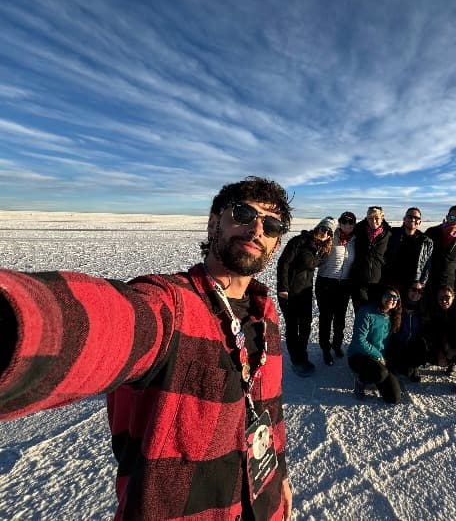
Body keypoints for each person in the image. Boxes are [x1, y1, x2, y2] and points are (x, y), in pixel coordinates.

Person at [0, 176, 293, 520]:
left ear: (275, 244)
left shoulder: (266, 315)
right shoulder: (172, 306)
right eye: (243, 214)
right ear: (214, 221)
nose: (257, 229)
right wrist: (25, 325)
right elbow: (108, 324)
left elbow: (269, 411)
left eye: (271, 225)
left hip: (263, 505)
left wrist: (280, 477)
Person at [277, 216, 334, 376]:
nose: (325, 233)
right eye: (323, 229)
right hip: (289, 291)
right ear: (318, 228)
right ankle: (297, 361)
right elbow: (283, 263)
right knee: (292, 326)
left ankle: (302, 356)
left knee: (305, 325)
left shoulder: (322, 249)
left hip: (305, 291)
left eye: (329, 232)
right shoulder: (299, 241)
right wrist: (283, 288)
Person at [347, 286, 403, 404]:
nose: (391, 299)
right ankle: (361, 379)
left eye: (395, 297)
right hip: (359, 355)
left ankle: (378, 374)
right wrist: (378, 356)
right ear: (382, 296)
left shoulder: (393, 316)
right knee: (380, 373)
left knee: (394, 398)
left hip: (380, 359)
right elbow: (359, 340)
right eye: (388, 295)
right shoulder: (367, 312)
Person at [315, 211, 357, 366]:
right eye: (344, 222)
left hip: (344, 284)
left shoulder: (356, 240)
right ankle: (325, 349)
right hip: (326, 282)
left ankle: (337, 345)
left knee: (340, 318)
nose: (347, 225)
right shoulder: (331, 236)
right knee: (326, 318)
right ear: (339, 223)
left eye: (351, 222)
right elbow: (317, 235)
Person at [382, 207, 433, 295]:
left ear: (420, 222)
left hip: (412, 285)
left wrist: (422, 283)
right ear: (404, 219)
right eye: (410, 217)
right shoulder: (392, 234)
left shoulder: (426, 241)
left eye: (417, 218)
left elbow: (427, 264)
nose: (413, 219)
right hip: (391, 282)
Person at [350, 206, 392, 310]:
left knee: (376, 314)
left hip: (378, 283)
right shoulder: (358, 231)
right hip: (359, 282)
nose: (373, 221)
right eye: (370, 218)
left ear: (382, 217)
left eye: (376, 218)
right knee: (361, 314)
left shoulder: (389, 234)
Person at [385, 281, 427, 382]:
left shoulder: (422, 310)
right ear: (408, 290)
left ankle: (414, 366)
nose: (416, 293)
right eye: (413, 290)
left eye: (420, 291)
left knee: (408, 372)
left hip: (412, 346)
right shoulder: (397, 307)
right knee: (396, 370)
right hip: (397, 345)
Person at [424, 205, 456, 300]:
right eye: (452, 217)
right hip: (429, 282)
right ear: (447, 217)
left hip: (449, 285)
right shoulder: (432, 232)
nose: (455, 221)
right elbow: (422, 257)